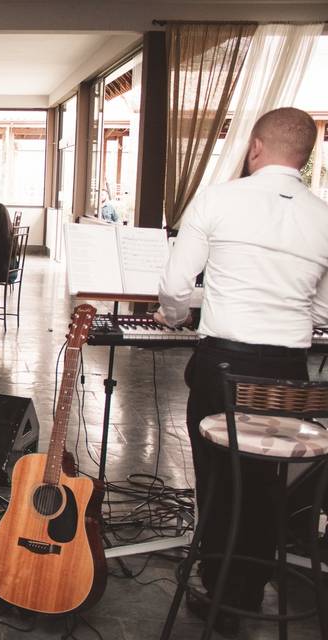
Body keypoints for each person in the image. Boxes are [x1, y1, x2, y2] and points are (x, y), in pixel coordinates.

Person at [155, 107, 328, 637]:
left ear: (255, 147)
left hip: (225, 366)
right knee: (265, 480)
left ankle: (219, 584)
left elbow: (175, 289)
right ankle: (248, 590)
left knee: (220, 476)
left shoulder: (219, 199)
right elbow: (324, 312)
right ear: (307, 155)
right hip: (291, 375)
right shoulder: (324, 216)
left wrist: (177, 317)